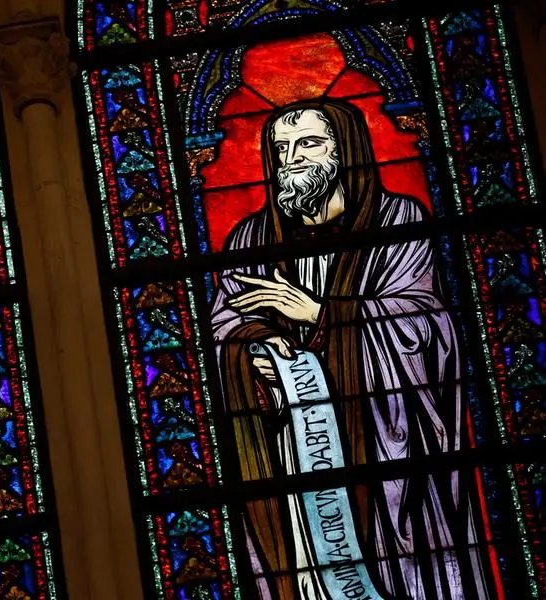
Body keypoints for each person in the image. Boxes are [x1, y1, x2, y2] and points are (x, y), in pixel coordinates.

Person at [211, 99, 494, 599]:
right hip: (292, 452)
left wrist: (322, 315)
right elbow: (225, 327)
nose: (292, 160)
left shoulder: (399, 222)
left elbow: (427, 326)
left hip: (386, 444)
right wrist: (255, 353)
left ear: (348, 151)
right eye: (280, 151)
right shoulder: (248, 239)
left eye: (309, 144)